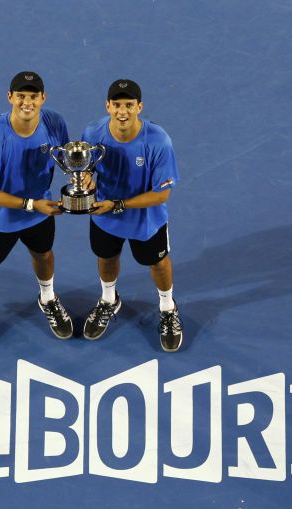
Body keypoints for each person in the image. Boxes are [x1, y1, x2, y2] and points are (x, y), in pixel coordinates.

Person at [0, 71, 73, 355]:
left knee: (43, 254)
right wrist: (29, 204)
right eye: (21, 96)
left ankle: (47, 297)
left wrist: (80, 178)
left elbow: (65, 159)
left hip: (39, 212)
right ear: (10, 97)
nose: (27, 102)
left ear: (43, 98)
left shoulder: (54, 122)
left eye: (33, 96)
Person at [82, 79, 183, 352]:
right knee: (106, 257)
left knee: (158, 264)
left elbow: (161, 195)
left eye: (129, 105)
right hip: (104, 215)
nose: (122, 111)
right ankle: (108, 300)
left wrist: (117, 205)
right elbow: (87, 169)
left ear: (139, 107)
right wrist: (87, 180)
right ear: (108, 106)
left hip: (145, 220)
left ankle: (167, 307)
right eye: (117, 105)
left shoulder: (158, 141)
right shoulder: (92, 133)